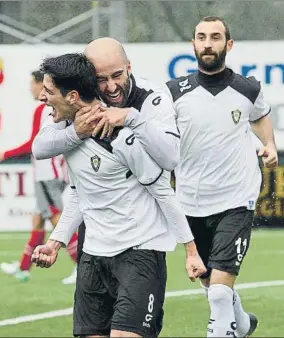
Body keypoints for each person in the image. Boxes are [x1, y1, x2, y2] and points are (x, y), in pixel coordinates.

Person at [31, 53, 206, 338]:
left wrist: (191, 251)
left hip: (139, 254)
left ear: (73, 96)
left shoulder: (122, 137)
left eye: (48, 91)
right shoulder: (66, 131)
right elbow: (78, 193)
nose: (41, 97)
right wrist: (55, 242)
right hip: (93, 256)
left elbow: (163, 192)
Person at [160, 16, 278, 337]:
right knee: (211, 284)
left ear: (229, 44)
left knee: (220, 292)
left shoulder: (247, 88)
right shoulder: (173, 93)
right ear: (193, 45)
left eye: (215, 37)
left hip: (236, 199)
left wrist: (269, 144)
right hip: (190, 204)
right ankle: (241, 325)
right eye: (201, 37)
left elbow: (261, 115)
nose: (207, 43)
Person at [31, 37, 181, 264]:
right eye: (101, 79)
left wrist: (132, 118)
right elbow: (40, 147)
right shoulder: (78, 99)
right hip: (94, 237)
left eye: (117, 75)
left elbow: (170, 158)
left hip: (141, 239)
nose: (111, 87)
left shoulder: (152, 97)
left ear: (129, 67)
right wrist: (77, 133)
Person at [0, 70, 78, 284]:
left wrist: (7, 154)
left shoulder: (45, 110)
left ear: (41, 85)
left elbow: (34, 144)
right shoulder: (49, 109)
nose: (31, 89)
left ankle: (81, 265)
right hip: (50, 172)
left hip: (47, 173)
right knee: (39, 220)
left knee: (55, 218)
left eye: (32, 84)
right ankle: (24, 268)